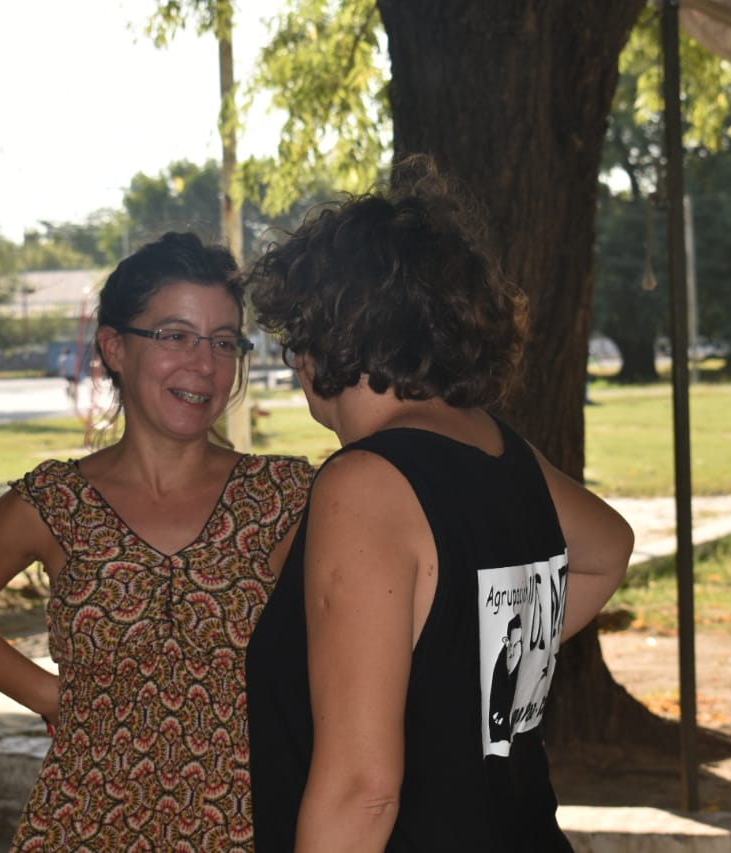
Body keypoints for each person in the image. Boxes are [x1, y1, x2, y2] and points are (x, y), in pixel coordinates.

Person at [244, 157, 634, 852]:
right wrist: (472, 678)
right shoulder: (496, 446)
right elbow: (608, 550)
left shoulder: (363, 484)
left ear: (321, 338)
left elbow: (362, 791)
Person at [0, 232, 313, 852]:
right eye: (176, 336)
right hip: (82, 826)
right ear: (115, 347)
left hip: (245, 829)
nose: (204, 364)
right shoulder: (57, 502)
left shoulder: (285, 498)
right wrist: (49, 695)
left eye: (223, 341)